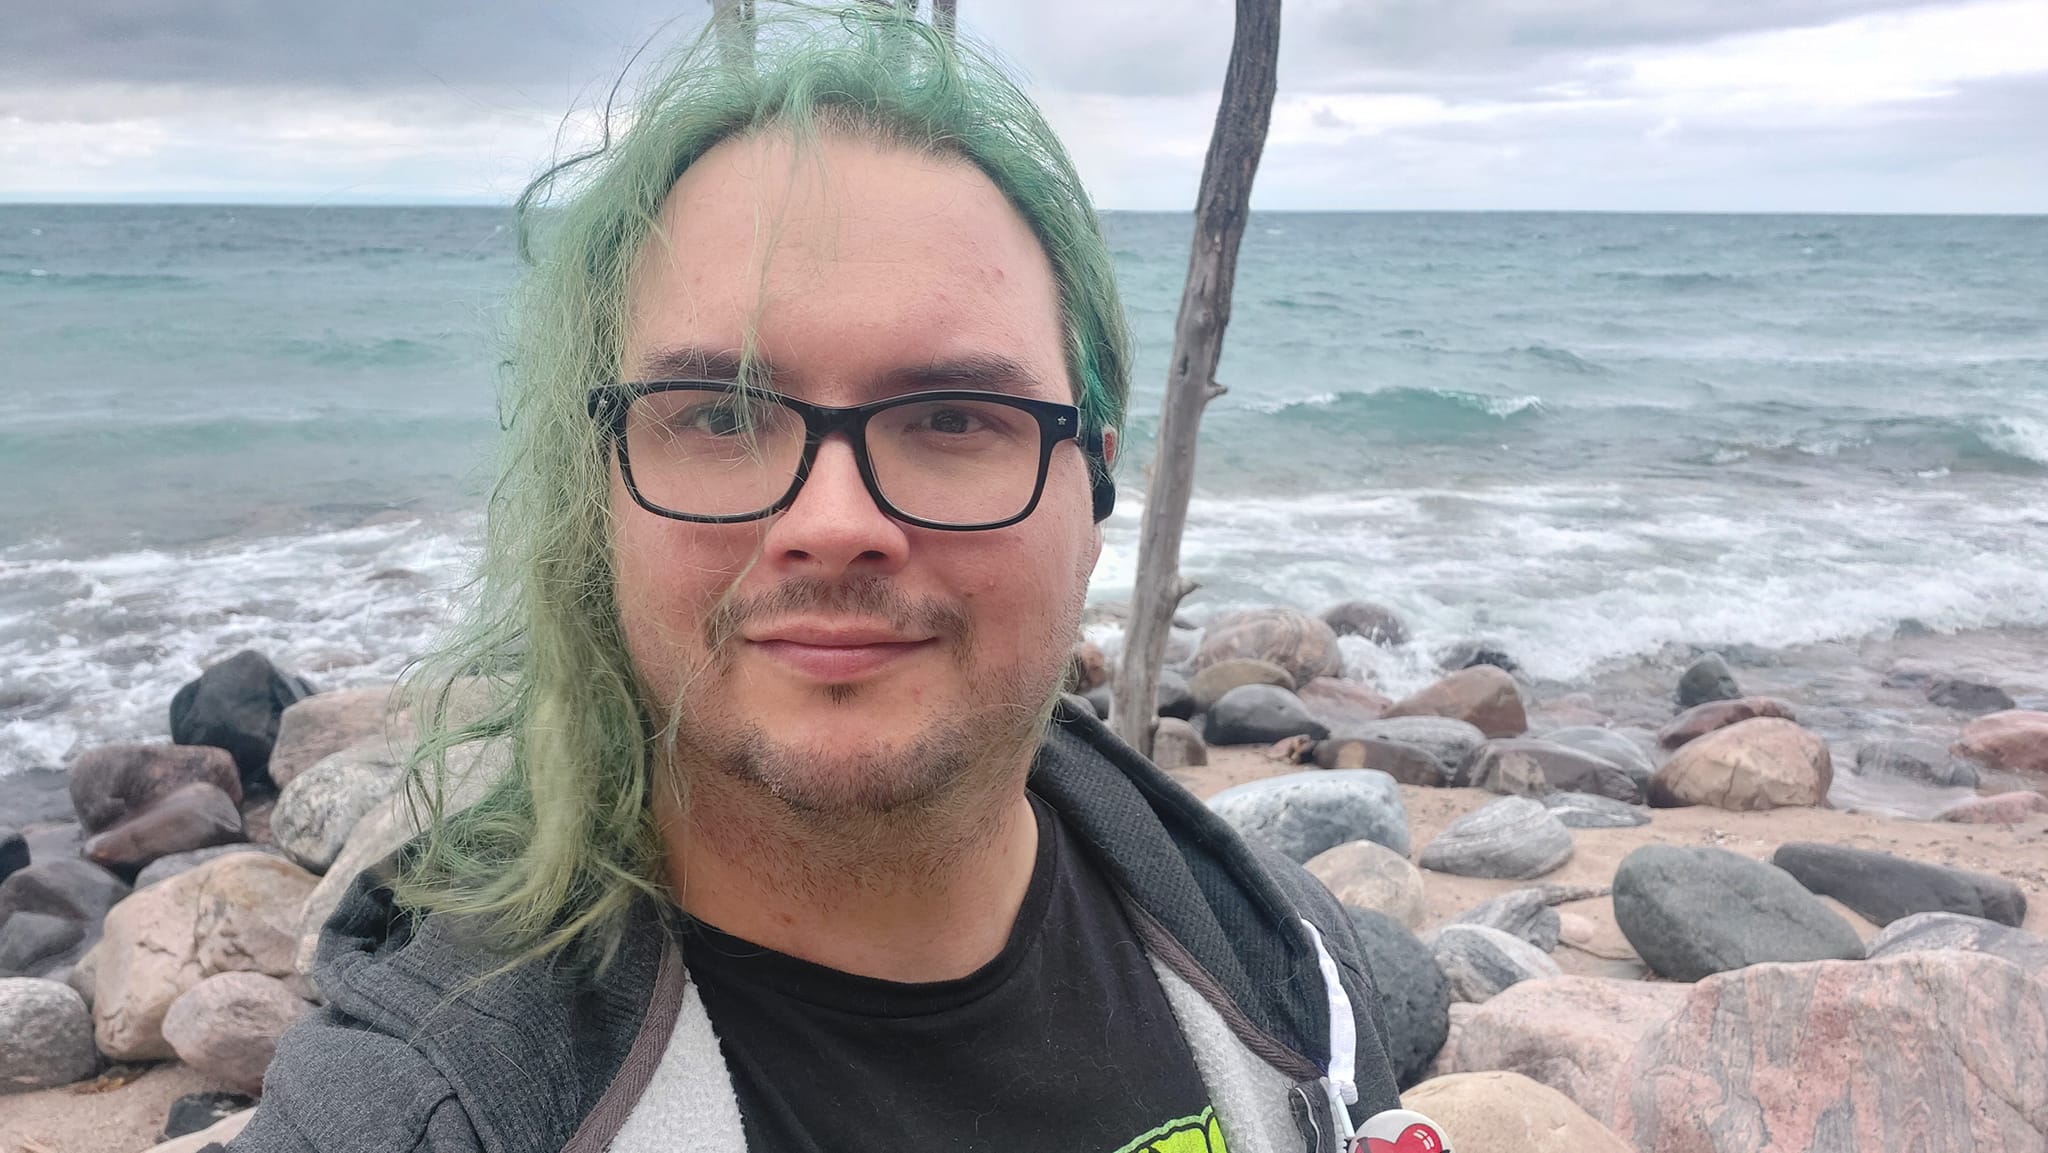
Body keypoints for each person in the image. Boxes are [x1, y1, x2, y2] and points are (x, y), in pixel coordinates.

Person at [230, 7, 1407, 1151]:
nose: (831, 524)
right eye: (721, 413)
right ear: (597, 497)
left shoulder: (1287, 973)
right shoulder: (423, 1112)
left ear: (1089, 495)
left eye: (953, 415)